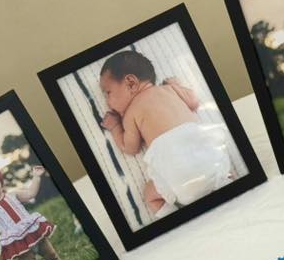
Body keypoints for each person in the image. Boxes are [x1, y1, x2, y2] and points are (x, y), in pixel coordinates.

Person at [98, 50, 231, 218]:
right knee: (227, 173)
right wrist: (176, 84)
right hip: (212, 165)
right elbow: (194, 102)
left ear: (131, 83)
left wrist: (116, 126)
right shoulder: (169, 90)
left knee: (150, 195)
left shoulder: (131, 113)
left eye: (108, 92)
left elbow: (130, 148)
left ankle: (176, 220)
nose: (106, 102)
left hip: (178, 179)